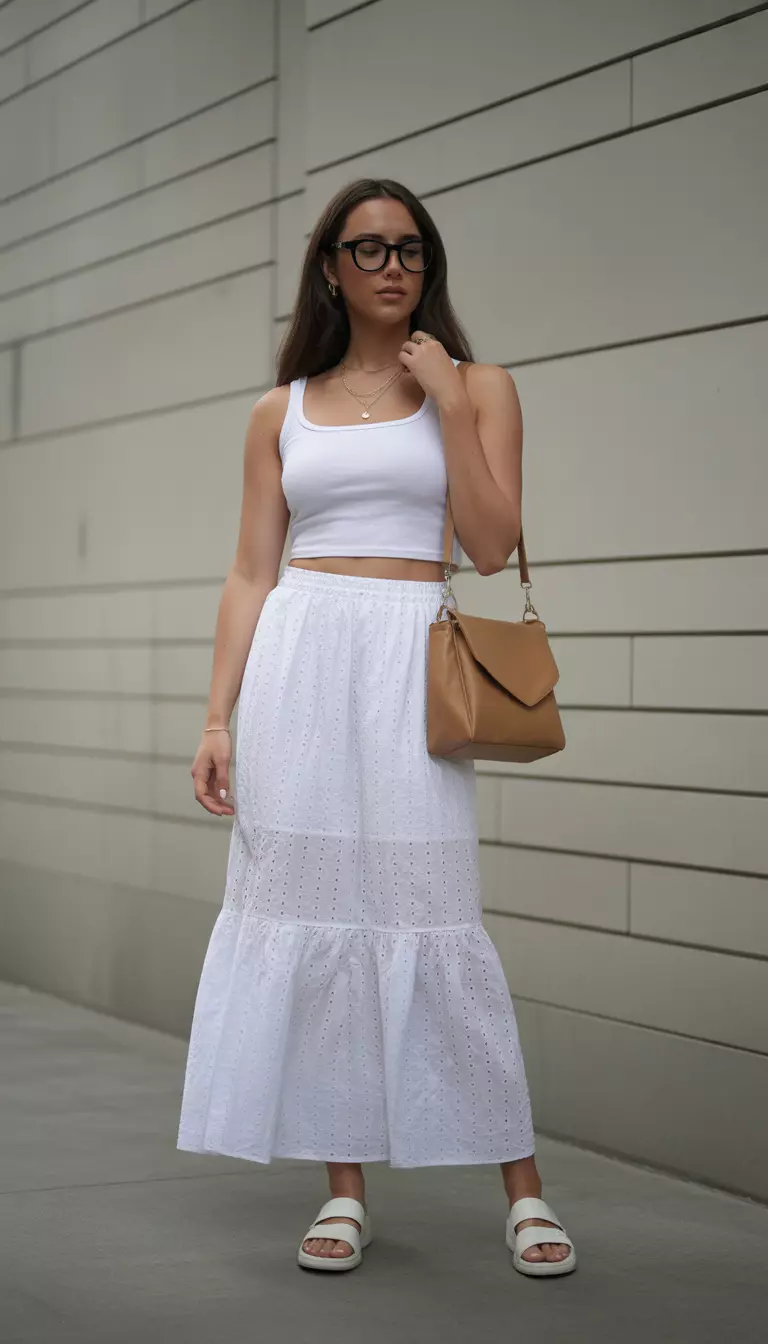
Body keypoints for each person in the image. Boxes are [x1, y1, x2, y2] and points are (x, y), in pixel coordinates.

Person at [176, 177, 576, 1278]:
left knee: (431, 910)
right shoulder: (281, 408)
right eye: (369, 249)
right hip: (302, 660)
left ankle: (522, 1187)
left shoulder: (481, 383)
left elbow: (492, 547)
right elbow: (253, 568)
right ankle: (343, 1188)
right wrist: (218, 716)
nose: (393, 266)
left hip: (411, 652)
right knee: (314, 910)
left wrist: (446, 398)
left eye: (411, 250)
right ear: (331, 269)